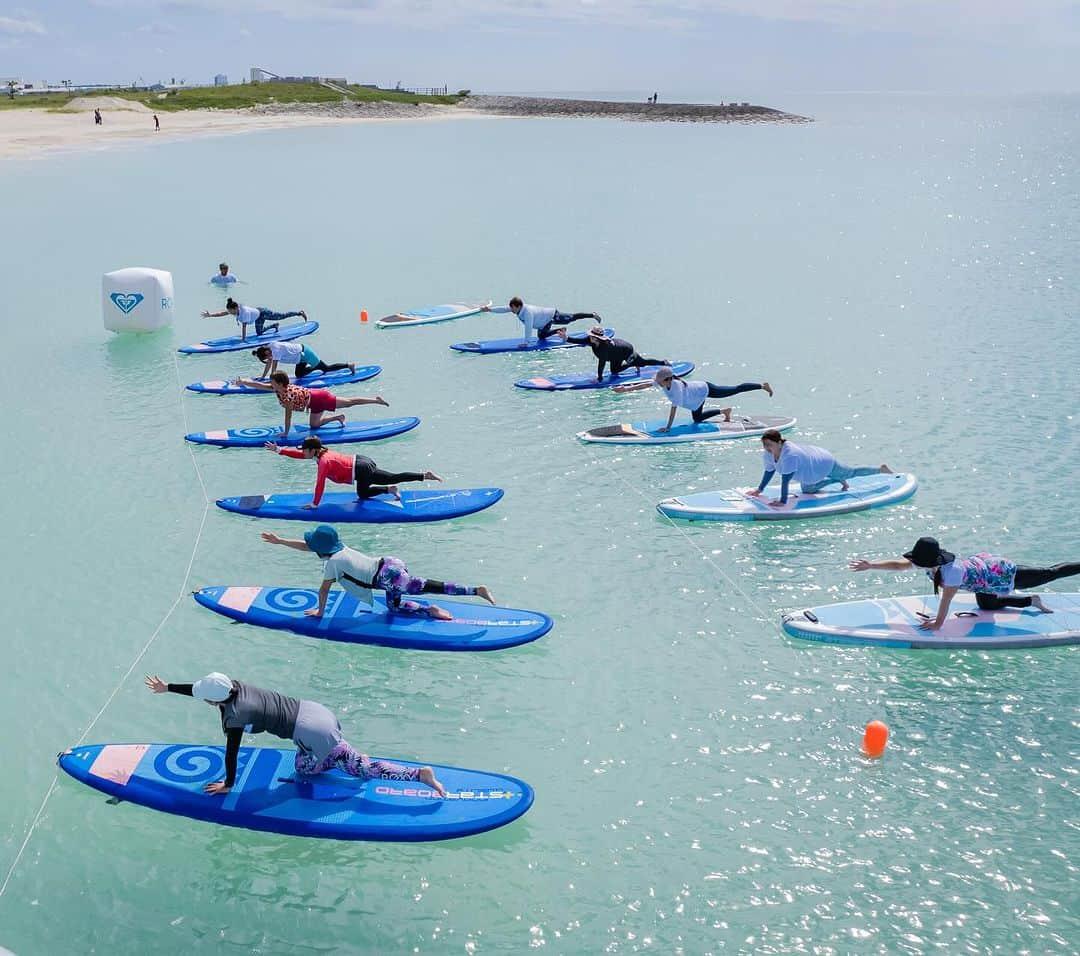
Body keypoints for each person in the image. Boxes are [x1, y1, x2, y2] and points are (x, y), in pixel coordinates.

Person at [143, 672, 446, 796]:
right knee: (302, 767)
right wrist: (167, 687)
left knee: (359, 770)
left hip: (312, 732)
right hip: (314, 711)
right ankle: (333, 756)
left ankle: (419, 774)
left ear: (215, 700)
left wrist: (229, 784)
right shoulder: (233, 685)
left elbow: (231, 751)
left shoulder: (236, 716)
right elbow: (206, 693)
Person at [263, 524, 495, 620]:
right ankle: (430, 609)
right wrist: (280, 541)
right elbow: (308, 546)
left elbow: (324, 590)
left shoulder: (332, 562)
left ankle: (477, 590)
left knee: (434, 586)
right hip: (390, 564)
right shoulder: (340, 549)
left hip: (388, 578)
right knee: (394, 607)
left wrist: (320, 612)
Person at [849, 536, 1080, 630]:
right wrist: (871, 565)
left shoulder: (952, 573)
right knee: (987, 606)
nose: (914, 563)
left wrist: (938, 624)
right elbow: (898, 565)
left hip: (1000, 572)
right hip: (982, 584)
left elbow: (947, 600)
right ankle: (1033, 601)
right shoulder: (926, 562)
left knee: (1049, 573)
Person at [265, 436, 442, 507]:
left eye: (305, 449)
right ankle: (423, 475)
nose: (303, 451)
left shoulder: (324, 461)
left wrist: (315, 504)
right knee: (391, 477)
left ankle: (391, 489)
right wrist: (279, 450)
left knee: (363, 494)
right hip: (362, 461)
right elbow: (297, 455)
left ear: (312, 450)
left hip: (361, 469)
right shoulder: (319, 453)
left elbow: (320, 483)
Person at [746, 430, 893, 507]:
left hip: (823, 462)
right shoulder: (768, 453)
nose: (766, 448)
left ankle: (880, 469)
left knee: (851, 473)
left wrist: (783, 501)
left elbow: (785, 480)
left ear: (779, 442)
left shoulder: (790, 455)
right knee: (808, 491)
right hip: (810, 471)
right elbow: (769, 471)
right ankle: (838, 479)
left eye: (769, 444)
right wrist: (759, 490)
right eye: (764, 444)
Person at [614, 365, 773, 431]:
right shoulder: (663, 382)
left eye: (659, 380)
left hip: (704, 388)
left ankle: (762, 386)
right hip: (695, 398)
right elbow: (644, 385)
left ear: (668, 380)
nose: (657, 383)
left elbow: (674, 409)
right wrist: (625, 389)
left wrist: (668, 427)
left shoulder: (675, 388)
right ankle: (725, 411)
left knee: (734, 390)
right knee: (697, 419)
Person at [233, 370, 387, 437]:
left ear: (279, 383)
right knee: (314, 425)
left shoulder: (286, 395)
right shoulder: (277, 388)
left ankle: (375, 400)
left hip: (320, 398)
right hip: (313, 403)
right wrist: (243, 382)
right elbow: (259, 385)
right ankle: (338, 418)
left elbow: (288, 417)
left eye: (272, 381)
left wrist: (286, 433)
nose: (269, 383)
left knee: (349, 402)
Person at [481, 297, 602, 348]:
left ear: (517, 306)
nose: (511, 310)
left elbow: (528, 328)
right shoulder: (517, 310)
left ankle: (592, 315)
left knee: (571, 317)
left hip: (552, 315)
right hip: (543, 323)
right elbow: (503, 309)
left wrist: (526, 343)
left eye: (512, 308)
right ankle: (560, 331)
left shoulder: (527, 312)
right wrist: (489, 309)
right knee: (541, 337)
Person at [201, 297, 306, 340]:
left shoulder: (244, 313)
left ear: (236, 308)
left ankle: (299, 313)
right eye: (230, 311)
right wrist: (210, 315)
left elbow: (244, 327)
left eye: (231, 311)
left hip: (263, 313)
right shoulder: (234, 310)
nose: (231, 313)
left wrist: (243, 339)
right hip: (257, 316)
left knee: (281, 316)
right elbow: (222, 313)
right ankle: (275, 325)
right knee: (259, 333)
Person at [586, 327, 668, 382]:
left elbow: (601, 364)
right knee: (614, 371)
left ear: (597, 339)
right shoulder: (592, 340)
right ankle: (633, 362)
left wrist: (599, 378)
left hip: (626, 350)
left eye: (592, 336)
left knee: (643, 363)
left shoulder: (603, 349)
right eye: (590, 335)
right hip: (617, 354)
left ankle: (663, 363)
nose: (589, 337)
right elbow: (576, 340)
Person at [252, 341, 354, 380]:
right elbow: (269, 364)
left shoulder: (276, 350)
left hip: (306, 353)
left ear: (266, 353)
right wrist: (262, 377)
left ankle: (349, 365)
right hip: (300, 358)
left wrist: (272, 381)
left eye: (267, 357)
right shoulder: (269, 347)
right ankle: (315, 367)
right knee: (299, 375)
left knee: (326, 369)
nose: (268, 359)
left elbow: (273, 368)